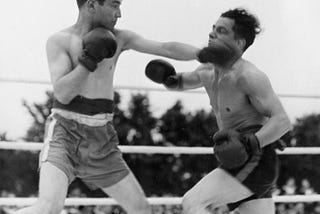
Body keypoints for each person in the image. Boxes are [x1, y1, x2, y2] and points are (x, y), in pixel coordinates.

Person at [14, 1, 199, 214]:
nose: (119, 13)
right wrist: (88, 61)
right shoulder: (60, 41)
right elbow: (63, 94)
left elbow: (164, 47)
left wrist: (204, 54)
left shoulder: (120, 38)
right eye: (114, 5)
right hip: (64, 134)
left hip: (101, 138)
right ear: (92, 5)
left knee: (141, 209)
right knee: (48, 207)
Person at [145, 8, 292, 214]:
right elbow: (179, 82)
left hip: (255, 158)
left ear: (239, 43)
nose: (212, 34)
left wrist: (253, 141)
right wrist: (167, 79)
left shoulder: (248, 76)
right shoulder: (207, 71)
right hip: (238, 156)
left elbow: (283, 121)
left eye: (222, 31)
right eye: (213, 29)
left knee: (193, 202)